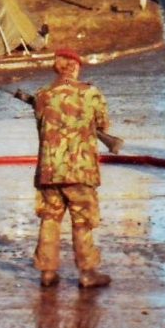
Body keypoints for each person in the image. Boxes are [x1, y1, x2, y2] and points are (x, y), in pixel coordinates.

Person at [32, 48, 112, 288]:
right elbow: (103, 125)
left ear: (57, 67)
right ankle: (87, 273)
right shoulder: (90, 93)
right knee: (82, 221)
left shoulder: (42, 94)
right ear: (76, 67)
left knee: (49, 218)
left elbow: (41, 129)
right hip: (80, 170)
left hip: (49, 170)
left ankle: (47, 272)